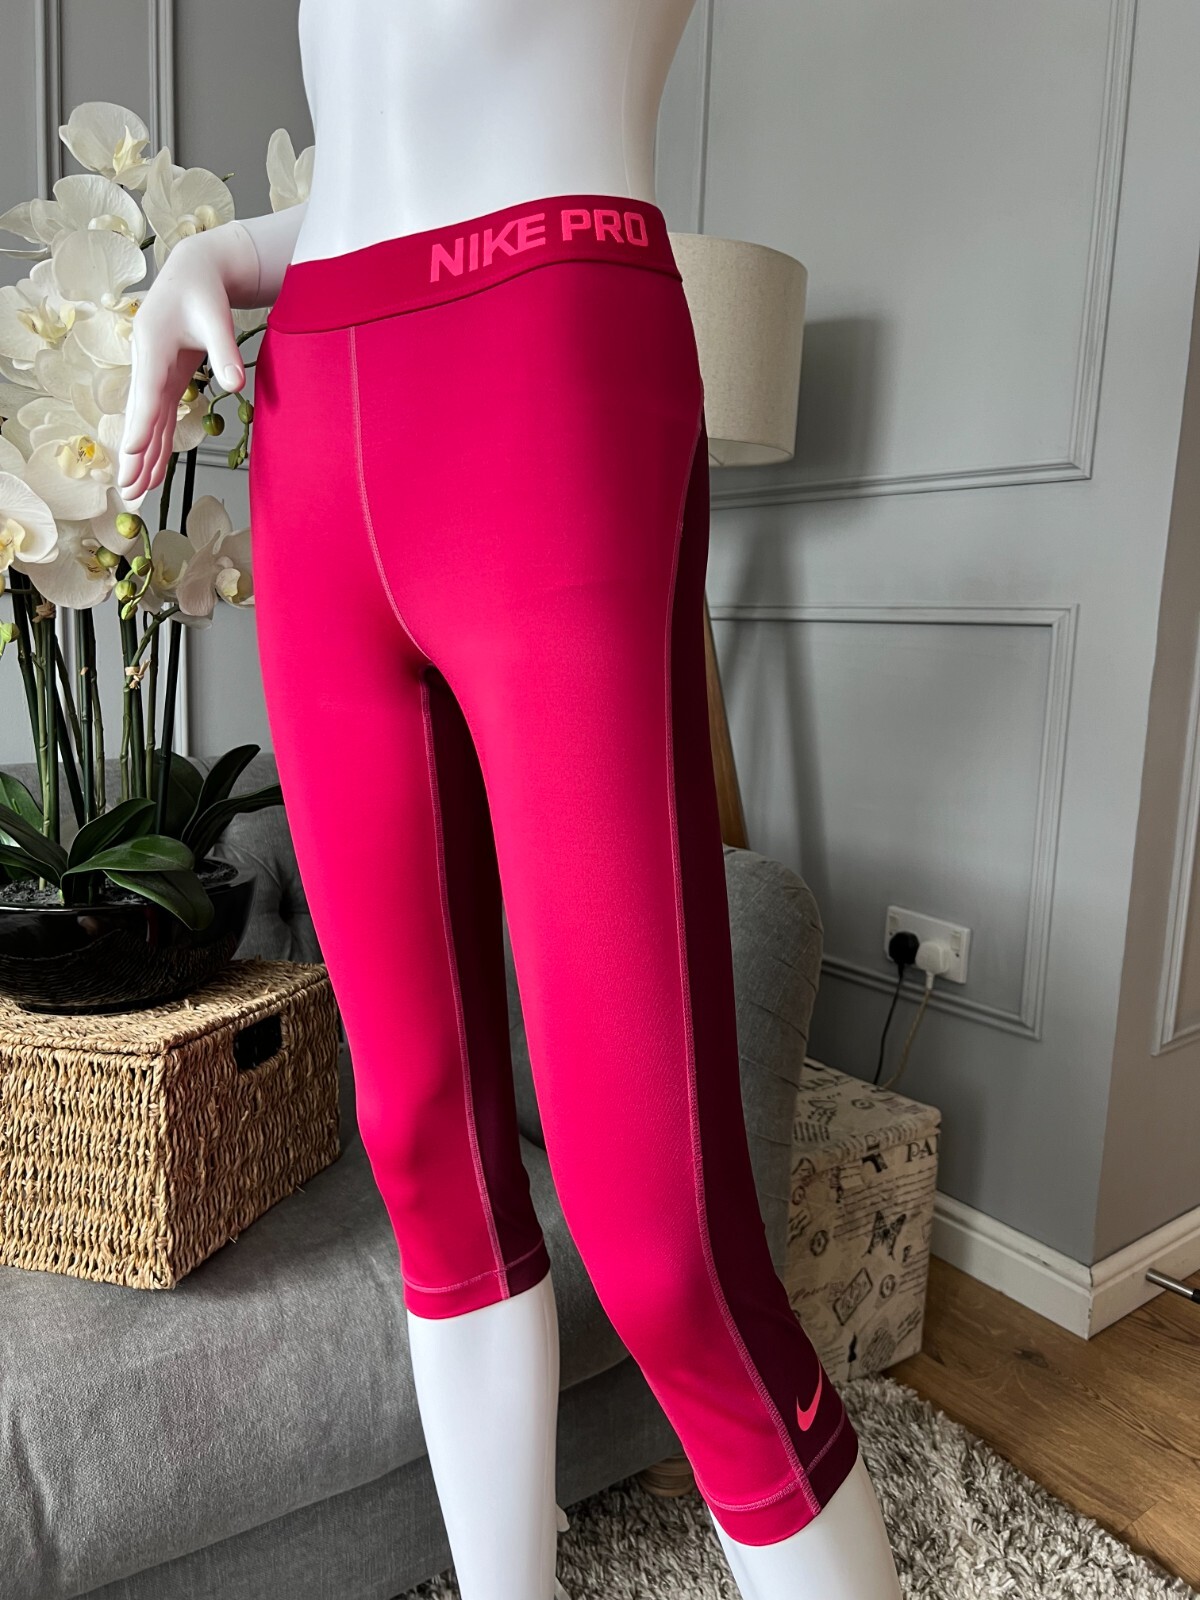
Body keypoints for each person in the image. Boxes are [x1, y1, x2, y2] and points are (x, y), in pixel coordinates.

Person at [117, 3, 903, 1596]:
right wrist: (230, 255)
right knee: (422, 1145)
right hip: (312, 408)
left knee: (666, 1244)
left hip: (543, 361)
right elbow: (387, 153)